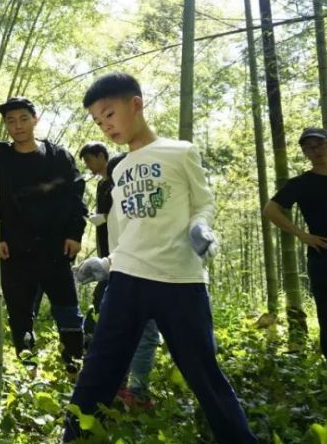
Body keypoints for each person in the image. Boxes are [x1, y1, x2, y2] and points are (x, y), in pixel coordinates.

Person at [66, 72, 256, 443]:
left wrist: (201, 228)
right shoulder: (117, 169)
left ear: (136, 104)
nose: (106, 126)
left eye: (109, 114)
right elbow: (126, 231)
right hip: (128, 280)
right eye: (98, 121)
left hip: (180, 281)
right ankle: (72, 439)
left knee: (204, 374)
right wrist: (106, 264)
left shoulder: (180, 151)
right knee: (99, 369)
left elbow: (204, 202)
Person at [0, 97, 86, 372]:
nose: (18, 126)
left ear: (35, 120)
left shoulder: (58, 156)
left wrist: (75, 233)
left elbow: (76, 198)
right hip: (15, 251)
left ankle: (74, 365)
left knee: (68, 309)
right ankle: (28, 371)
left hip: (55, 248)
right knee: (20, 315)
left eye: (23, 118)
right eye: (11, 121)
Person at [263, 127, 327, 380]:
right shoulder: (301, 184)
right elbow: (271, 209)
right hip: (324, 260)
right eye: (309, 147)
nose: (316, 151)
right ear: (305, 152)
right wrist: (302, 235)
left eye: (320, 144)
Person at [77, 143, 159, 408]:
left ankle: (131, 388)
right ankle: (127, 389)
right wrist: (105, 263)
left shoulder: (146, 199)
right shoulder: (108, 190)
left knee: (141, 331)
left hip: (148, 270)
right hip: (120, 265)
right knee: (126, 328)